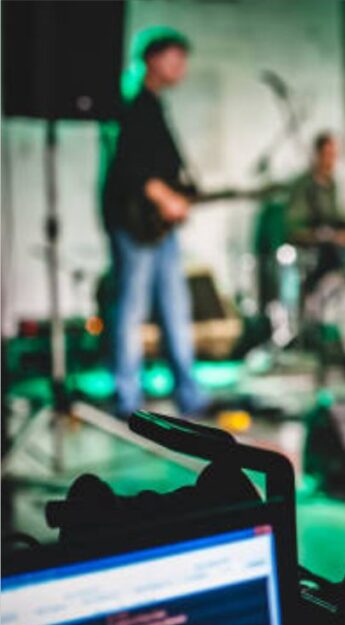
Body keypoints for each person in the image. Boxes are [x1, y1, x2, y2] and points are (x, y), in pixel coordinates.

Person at [101, 27, 208, 419]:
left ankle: (189, 394)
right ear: (151, 59)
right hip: (135, 226)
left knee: (175, 308)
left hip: (159, 229)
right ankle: (128, 398)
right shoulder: (134, 107)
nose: (181, 68)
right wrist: (166, 198)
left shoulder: (156, 107)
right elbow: (131, 169)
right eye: (174, 59)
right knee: (132, 309)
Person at [283, 131, 345, 296]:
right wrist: (330, 236)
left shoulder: (331, 185)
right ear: (317, 155)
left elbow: (337, 216)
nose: (331, 161)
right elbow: (294, 229)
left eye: (334, 155)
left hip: (331, 253)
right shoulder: (303, 186)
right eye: (328, 155)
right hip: (312, 257)